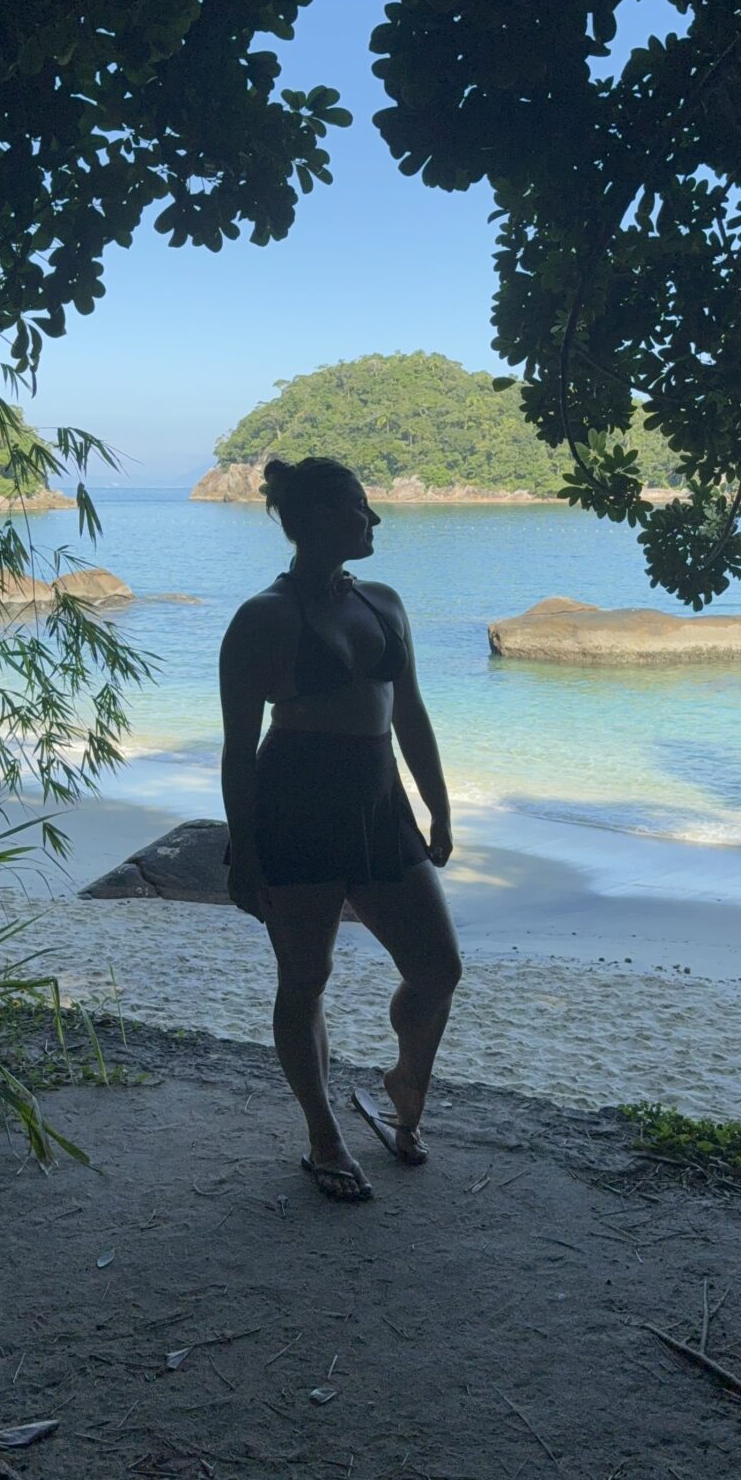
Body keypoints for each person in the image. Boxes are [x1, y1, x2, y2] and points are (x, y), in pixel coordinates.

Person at [219, 456, 462, 1202]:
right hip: (295, 807)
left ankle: (404, 1082)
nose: (374, 518)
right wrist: (243, 851)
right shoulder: (262, 618)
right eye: (361, 506)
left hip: (380, 804)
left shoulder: (383, 603)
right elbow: (238, 749)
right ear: (323, 518)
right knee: (305, 978)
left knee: (438, 969)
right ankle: (323, 1136)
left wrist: (438, 805)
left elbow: (410, 714)